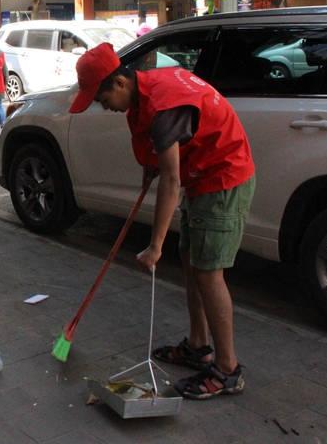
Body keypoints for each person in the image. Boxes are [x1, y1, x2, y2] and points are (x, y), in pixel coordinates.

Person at [69, 43, 256, 400]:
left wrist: (155, 246)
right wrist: (149, 164)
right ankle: (199, 346)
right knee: (191, 258)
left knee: (208, 270)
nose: (104, 107)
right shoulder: (147, 87)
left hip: (223, 178)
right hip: (202, 176)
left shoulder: (163, 104)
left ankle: (228, 370)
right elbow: (162, 150)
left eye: (103, 98)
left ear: (120, 83)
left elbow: (171, 179)